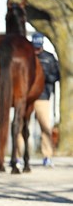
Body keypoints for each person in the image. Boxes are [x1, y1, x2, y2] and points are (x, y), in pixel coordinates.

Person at [31, 32, 60, 167]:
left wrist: (44, 75)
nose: (36, 50)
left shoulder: (49, 57)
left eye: (38, 47)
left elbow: (56, 76)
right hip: (26, 98)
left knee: (45, 127)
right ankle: (18, 156)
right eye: (34, 47)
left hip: (43, 96)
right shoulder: (27, 56)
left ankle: (47, 156)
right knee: (19, 126)